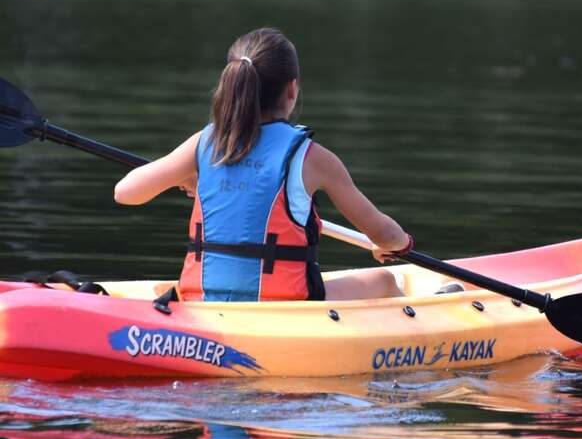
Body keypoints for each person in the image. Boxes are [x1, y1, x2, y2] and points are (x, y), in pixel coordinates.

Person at [114, 27, 413, 302]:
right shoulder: (313, 157)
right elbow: (384, 234)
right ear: (292, 90)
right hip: (286, 307)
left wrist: (192, 174)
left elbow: (125, 192)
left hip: (202, 302)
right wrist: (399, 245)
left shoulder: (204, 143)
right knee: (384, 279)